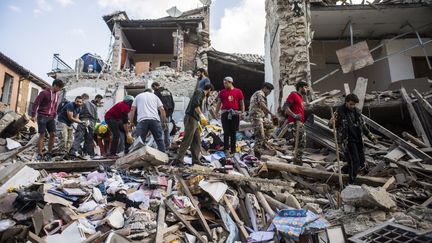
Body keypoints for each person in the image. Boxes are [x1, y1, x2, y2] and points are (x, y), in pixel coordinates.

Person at [330, 93, 378, 184]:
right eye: (351, 104)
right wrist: (331, 122)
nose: (352, 106)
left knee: (361, 161)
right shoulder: (339, 111)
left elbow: (363, 127)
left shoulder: (357, 112)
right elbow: (330, 125)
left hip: (358, 140)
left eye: (354, 104)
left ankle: (345, 170)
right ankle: (351, 182)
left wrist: (372, 138)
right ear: (346, 102)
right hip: (347, 140)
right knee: (354, 161)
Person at [172, 84, 214, 166]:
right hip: (191, 118)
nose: (211, 94)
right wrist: (201, 115)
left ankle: (195, 160)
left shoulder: (202, 95)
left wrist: (199, 119)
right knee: (187, 139)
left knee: (197, 140)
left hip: (195, 119)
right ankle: (178, 160)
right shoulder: (199, 92)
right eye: (211, 92)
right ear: (209, 89)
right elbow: (195, 104)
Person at [31, 79, 64, 161]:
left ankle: (49, 153)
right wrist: (33, 115)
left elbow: (55, 106)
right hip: (42, 116)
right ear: (55, 85)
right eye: (59, 88)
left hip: (51, 117)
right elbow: (36, 103)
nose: (59, 90)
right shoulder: (44, 93)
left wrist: (54, 115)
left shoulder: (57, 95)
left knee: (53, 134)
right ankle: (39, 153)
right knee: (42, 134)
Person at [215, 77, 245, 156]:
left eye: (226, 83)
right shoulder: (222, 92)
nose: (224, 85)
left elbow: (241, 102)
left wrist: (242, 112)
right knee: (226, 132)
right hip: (225, 113)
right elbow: (219, 103)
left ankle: (233, 150)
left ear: (230, 82)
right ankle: (226, 149)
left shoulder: (238, 91)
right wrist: (216, 112)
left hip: (235, 114)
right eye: (224, 83)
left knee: (233, 132)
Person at [248, 82, 277, 157]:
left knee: (271, 125)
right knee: (259, 135)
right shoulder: (260, 93)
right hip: (256, 117)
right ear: (264, 88)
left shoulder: (261, 94)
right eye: (269, 91)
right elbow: (262, 104)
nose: (269, 93)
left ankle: (264, 144)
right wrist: (271, 113)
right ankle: (257, 152)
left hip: (261, 116)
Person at [285, 81, 309, 164]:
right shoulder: (293, 95)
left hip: (300, 123)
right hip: (295, 123)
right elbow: (286, 108)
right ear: (301, 88)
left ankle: (298, 160)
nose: (307, 90)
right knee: (299, 142)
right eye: (306, 87)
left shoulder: (300, 98)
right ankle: (297, 161)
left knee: (301, 143)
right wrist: (294, 115)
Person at [151, 82, 175, 149]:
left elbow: (156, 104)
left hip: (161, 113)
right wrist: (171, 113)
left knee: (160, 130)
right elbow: (173, 103)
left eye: (153, 88)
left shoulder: (157, 92)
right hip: (169, 113)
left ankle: (160, 147)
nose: (153, 90)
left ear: (155, 86)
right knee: (166, 129)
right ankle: (167, 145)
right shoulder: (168, 91)